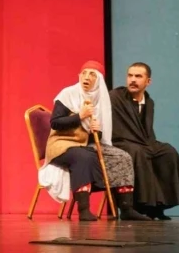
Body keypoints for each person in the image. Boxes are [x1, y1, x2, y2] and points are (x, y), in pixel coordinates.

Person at [41, 61, 150, 221]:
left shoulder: (100, 99)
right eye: (84, 73)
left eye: (92, 74)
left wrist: (95, 131)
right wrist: (80, 116)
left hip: (84, 144)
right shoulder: (68, 94)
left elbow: (95, 138)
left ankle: (126, 208)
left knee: (122, 157)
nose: (86, 77)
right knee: (84, 157)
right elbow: (55, 123)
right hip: (62, 144)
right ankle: (84, 209)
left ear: (98, 80)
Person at [109, 62, 179, 220]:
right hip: (120, 141)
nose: (133, 80)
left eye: (138, 76)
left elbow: (147, 130)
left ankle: (159, 205)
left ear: (148, 81)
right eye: (130, 75)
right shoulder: (115, 97)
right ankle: (139, 206)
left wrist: (152, 145)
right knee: (138, 152)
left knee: (167, 151)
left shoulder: (149, 102)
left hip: (143, 141)